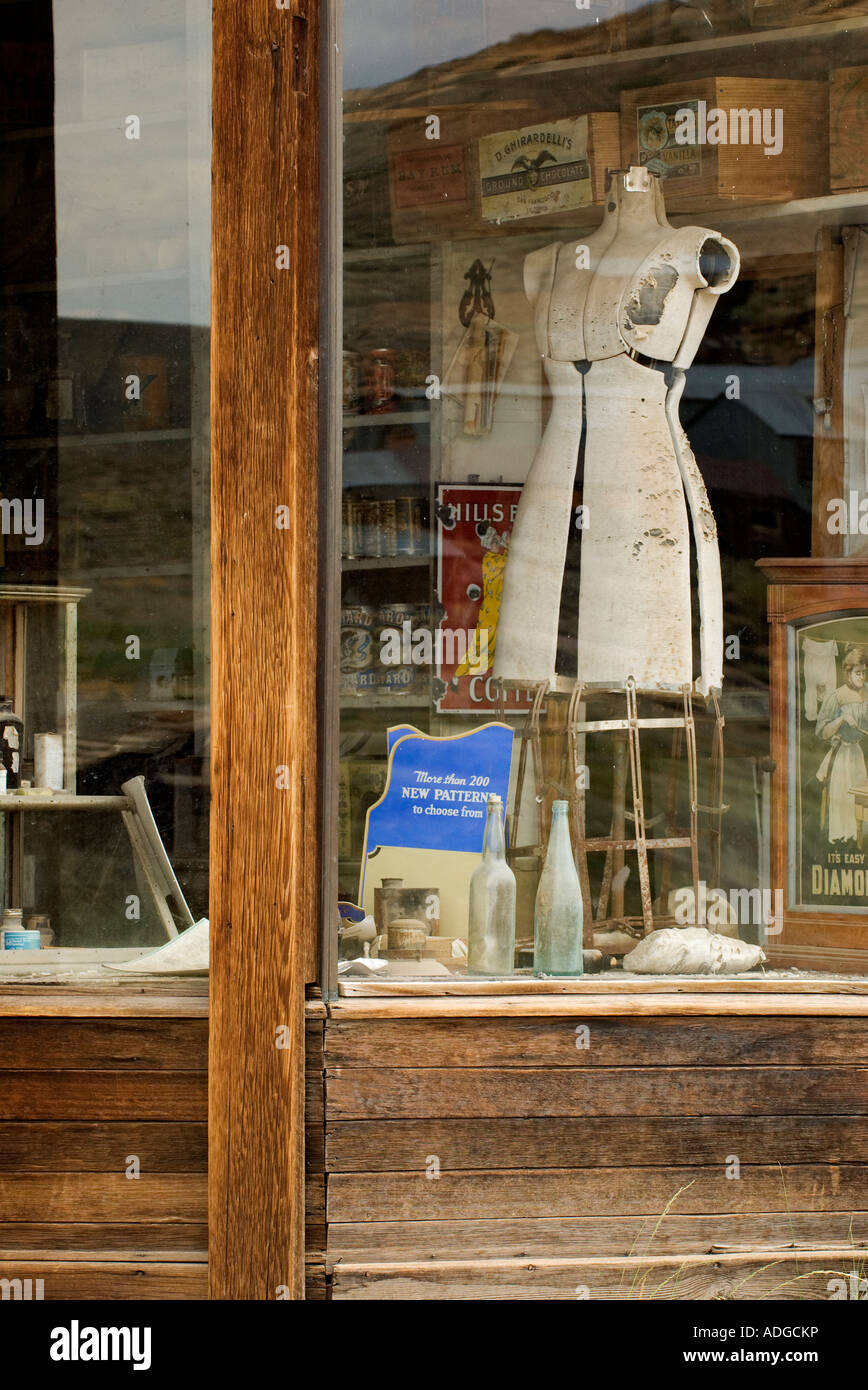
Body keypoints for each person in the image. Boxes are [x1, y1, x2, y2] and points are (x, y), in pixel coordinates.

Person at [815, 645, 868, 843]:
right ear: (848, 673)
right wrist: (842, 719)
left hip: (857, 753)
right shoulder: (836, 697)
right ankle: (842, 839)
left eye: (864, 673)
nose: (862, 677)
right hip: (841, 754)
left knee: (860, 797)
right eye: (858, 673)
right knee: (843, 796)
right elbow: (822, 732)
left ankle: (859, 838)